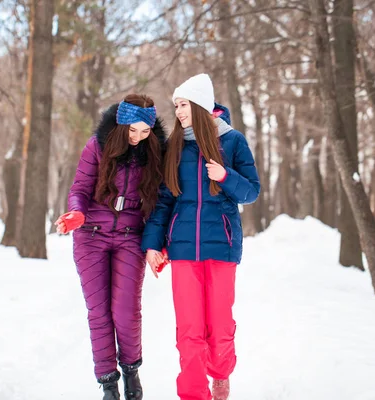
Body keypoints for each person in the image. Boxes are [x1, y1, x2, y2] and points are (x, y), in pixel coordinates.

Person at [141, 74, 260, 400]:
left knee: (219, 327)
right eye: (176, 105)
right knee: (189, 329)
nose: (178, 111)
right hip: (182, 249)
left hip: (221, 246)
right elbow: (165, 199)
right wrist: (153, 243)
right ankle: (194, 394)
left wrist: (225, 176)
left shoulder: (232, 141)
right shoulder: (174, 147)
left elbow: (251, 192)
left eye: (183, 105)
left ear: (200, 105)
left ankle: (220, 373)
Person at [55, 94, 166, 400]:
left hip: (131, 235)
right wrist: (76, 213)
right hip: (90, 235)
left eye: (145, 131)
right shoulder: (98, 146)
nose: (138, 138)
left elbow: (159, 202)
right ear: (121, 124)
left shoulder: (154, 152)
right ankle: (108, 383)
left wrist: (158, 243)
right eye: (133, 130)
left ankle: (131, 370)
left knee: (126, 310)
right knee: (99, 311)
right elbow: (79, 188)